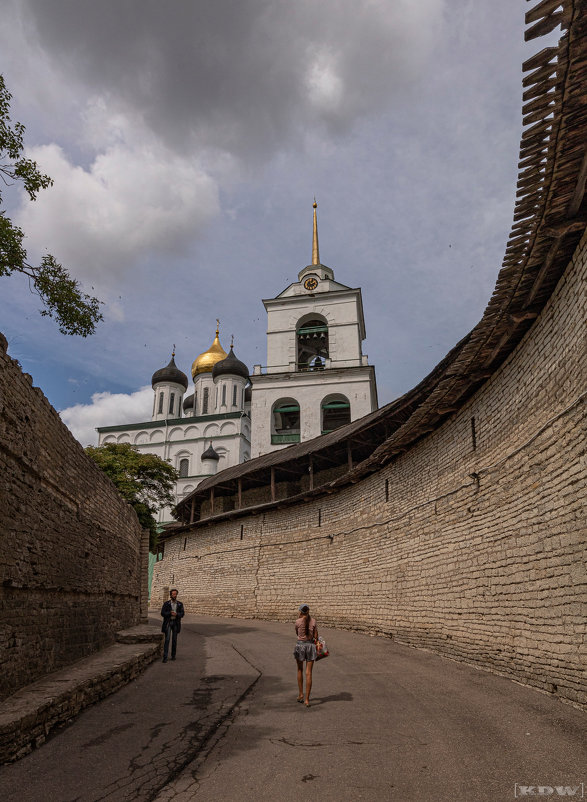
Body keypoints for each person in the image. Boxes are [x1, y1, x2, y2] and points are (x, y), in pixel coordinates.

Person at [293, 603, 318, 707]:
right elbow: (316, 635)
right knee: (309, 673)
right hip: (311, 647)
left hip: (300, 646)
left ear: (300, 612)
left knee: (300, 670)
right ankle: (307, 700)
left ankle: (300, 695)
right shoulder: (313, 621)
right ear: (308, 611)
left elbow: (297, 633)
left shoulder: (298, 621)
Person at [160, 588, 185, 663]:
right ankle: (165, 656)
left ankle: (173, 656)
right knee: (167, 640)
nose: (175, 595)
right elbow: (162, 613)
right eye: (173, 594)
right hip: (168, 623)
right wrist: (169, 613)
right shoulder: (166, 604)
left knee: (174, 640)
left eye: (175, 594)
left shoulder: (180, 604)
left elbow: (182, 614)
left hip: (175, 623)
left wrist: (177, 614)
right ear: (170, 595)